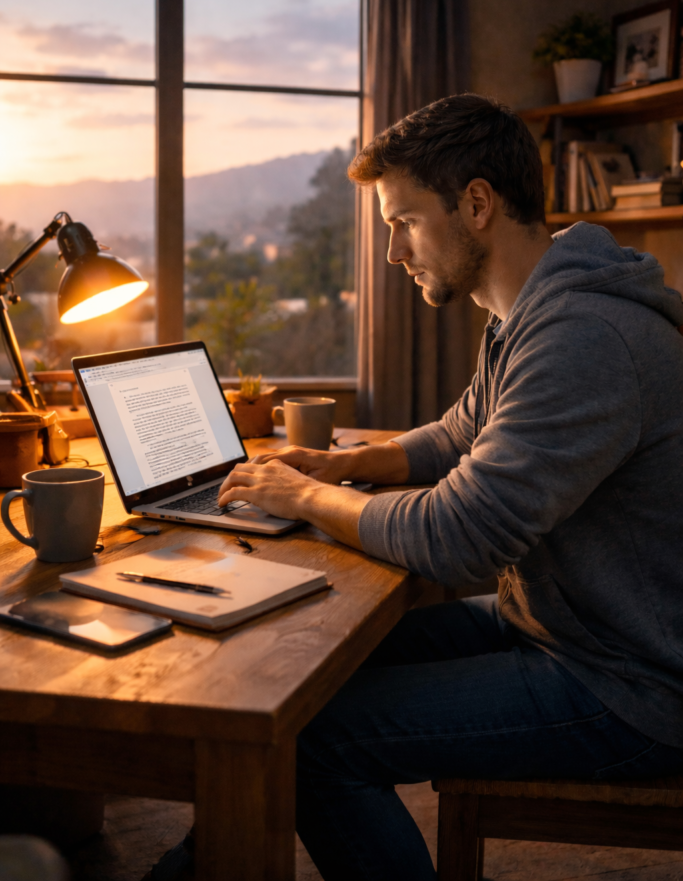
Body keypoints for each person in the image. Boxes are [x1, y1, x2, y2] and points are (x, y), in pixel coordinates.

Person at [147, 93, 683, 880]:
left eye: (401, 222)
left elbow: (458, 537)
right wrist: (339, 467)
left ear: (474, 204)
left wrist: (301, 500)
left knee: (314, 743)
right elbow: (458, 434)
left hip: (629, 682)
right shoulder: (530, 314)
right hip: (560, 627)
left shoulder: (584, 337)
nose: (394, 253)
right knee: (307, 671)